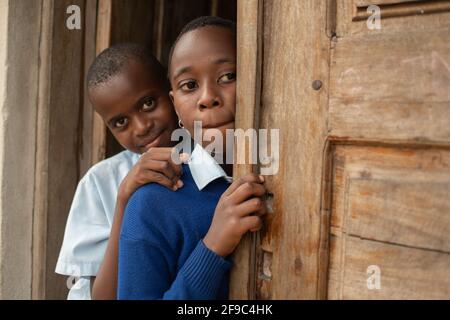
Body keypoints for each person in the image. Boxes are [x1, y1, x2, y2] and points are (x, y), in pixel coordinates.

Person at [118, 16, 267, 300]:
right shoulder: (151, 206)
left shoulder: (291, 172)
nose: (208, 98)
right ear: (175, 104)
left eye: (228, 76)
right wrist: (212, 247)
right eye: (189, 85)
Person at [55, 43, 182, 299]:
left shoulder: (211, 158)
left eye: (148, 103)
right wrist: (124, 198)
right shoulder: (100, 183)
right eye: (120, 122)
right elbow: (102, 296)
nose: (142, 127)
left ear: (171, 89)